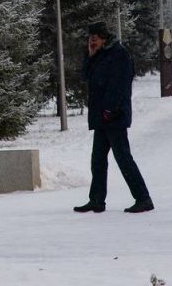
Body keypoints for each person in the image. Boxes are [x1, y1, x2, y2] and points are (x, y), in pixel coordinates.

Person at [73, 21, 154, 214]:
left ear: (104, 37)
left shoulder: (119, 55)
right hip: (101, 116)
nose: (92, 41)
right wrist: (90, 56)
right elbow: (86, 76)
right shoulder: (98, 55)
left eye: (96, 38)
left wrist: (110, 110)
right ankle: (96, 200)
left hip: (113, 116)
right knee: (98, 160)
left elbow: (120, 85)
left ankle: (143, 198)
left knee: (123, 158)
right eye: (90, 38)